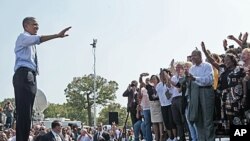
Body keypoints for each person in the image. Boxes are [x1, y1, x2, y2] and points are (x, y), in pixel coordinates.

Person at [13, 17, 71, 141]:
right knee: (23, 112)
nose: (37, 28)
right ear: (26, 26)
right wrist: (57, 35)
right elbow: (39, 39)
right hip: (24, 74)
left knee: (27, 114)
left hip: (31, 75)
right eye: (34, 25)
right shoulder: (23, 37)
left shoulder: (31, 44)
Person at [187, 47, 215, 141]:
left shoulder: (207, 66)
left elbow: (209, 80)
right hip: (195, 94)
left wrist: (195, 79)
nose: (192, 58)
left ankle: (210, 139)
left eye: (194, 55)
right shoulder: (191, 69)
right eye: (191, 56)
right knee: (198, 120)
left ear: (200, 56)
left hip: (206, 91)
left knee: (207, 119)